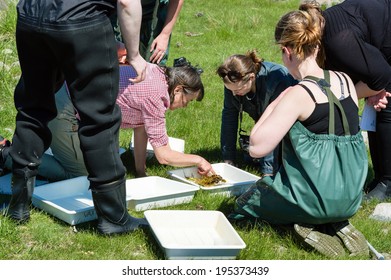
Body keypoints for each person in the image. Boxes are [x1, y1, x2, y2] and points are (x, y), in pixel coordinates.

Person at [229, 4, 375, 258]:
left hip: (310, 197)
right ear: (316, 45)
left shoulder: (297, 94)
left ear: (286, 52)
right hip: (350, 196)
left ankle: (303, 225)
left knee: (244, 203)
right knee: (320, 199)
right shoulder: (346, 81)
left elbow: (256, 146)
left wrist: (279, 98)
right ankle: (336, 223)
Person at [5, 0, 148, 236]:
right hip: (81, 20)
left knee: (34, 108)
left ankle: (18, 206)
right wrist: (134, 54)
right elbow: (127, 1)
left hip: (31, 16)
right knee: (99, 118)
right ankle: (114, 218)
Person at [316, 0, 391, 201]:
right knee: (375, 108)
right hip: (379, 41)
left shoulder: (337, 39)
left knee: (387, 109)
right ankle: (380, 177)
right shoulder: (326, 30)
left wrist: (372, 89)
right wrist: (370, 89)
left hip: (387, 41)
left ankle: (387, 181)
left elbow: (383, 75)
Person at [117, 57, 214, 178]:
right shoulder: (156, 97)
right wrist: (199, 160)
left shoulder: (157, 73)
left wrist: (140, 172)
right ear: (178, 89)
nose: (185, 106)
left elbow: (141, 129)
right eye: (187, 101)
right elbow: (164, 156)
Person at [216, 50, 297, 176]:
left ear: (251, 78)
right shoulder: (234, 83)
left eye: (237, 90)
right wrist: (228, 159)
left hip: (294, 130)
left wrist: (267, 173)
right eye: (230, 90)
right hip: (271, 127)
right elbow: (229, 118)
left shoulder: (277, 80)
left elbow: (273, 126)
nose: (233, 94)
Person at [113, 0, 184, 65]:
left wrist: (164, 34)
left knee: (154, 63)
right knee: (117, 59)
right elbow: (125, 3)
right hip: (118, 11)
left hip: (154, 11)